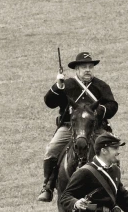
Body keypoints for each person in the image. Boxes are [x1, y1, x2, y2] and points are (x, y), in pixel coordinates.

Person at [37, 51, 119, 202]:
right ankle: (47, 185)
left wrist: (99, 111)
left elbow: (112, 106)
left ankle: (116, 185)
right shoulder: (66, 85)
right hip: (70, 127)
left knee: (111, 150)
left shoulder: (101, 86)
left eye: (90, 67)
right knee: (52, 149)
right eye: (84, 67)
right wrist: (58, 86)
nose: (88, 70)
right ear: (77, 70)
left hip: (94, 127)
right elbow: (49, 102)